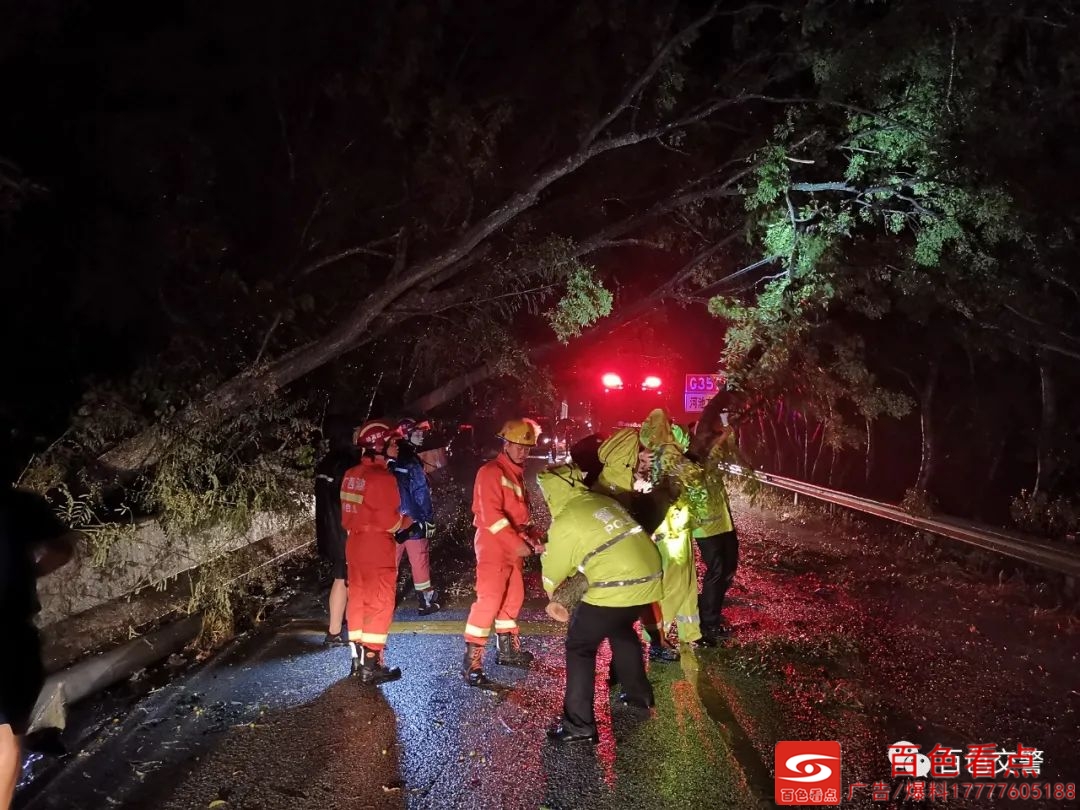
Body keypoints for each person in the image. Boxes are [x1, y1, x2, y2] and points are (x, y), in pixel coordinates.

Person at [537, 464, 663, 744]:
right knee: (619, 627)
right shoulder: (599, 500)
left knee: (580, 645)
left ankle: (579, 725)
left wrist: (552, 591)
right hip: (650, 577)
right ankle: (638, 694)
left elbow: (555, 570)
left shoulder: (567, 519)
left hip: (619, 583)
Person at [2, 486, 77, 810]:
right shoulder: (18, 502)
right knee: (6, 736)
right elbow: (61, 549)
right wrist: (23, 570)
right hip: (9, 633)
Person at [461, 418, 545, 688]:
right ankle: (472, 664)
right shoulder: (491, 472)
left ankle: (507, 652)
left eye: (527, 447)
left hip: (512, 543)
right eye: (519, 446)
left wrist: (533, 535)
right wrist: (517, 543)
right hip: (494, 544)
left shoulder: (514, 474)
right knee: (489, 601)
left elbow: (521, 515)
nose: (523, 452)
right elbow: (491, 516)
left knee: (513, 597)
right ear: (506, 444)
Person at [340, 420, 413, 686]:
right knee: (379, 604)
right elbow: (392, 523)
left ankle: (357, 660)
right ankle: (372, 664)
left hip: (355, 545)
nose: (396, 447)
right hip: (376, 547)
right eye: (392, 443)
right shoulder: (383, 478)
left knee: (358, 601)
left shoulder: (351, 475)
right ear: (379, 445)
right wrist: (409, 522)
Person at [689, 410, 740, 643]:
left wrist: (728, 425)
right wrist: (725, 430)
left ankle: (709, 608)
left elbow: (726, 443)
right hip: (705, 526)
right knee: (717, 570)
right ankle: (709, 622)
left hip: (724, 522)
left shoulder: (710, 456)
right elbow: (718, 446)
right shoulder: (690, 458)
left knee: (729, 568)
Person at [388, 419, 440, 615]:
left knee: (390, 562)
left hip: (392, 520)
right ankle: (425, 602)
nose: (421, 436)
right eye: (417, 432)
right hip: (413, 520)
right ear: (405, 433)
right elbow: (420, 491)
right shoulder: (411, 460)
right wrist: (428, 519)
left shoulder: (389, 458)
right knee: (420, 560)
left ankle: (385, 602)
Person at [314, 416, 357, 645]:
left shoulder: (326, 463)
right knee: (344, 579)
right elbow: (347, 502)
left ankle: (336, 629)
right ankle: (337, 630)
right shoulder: (346, 463)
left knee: (340, 577)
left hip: (329, 531)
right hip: (344, 532)